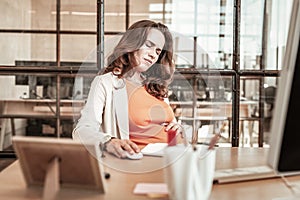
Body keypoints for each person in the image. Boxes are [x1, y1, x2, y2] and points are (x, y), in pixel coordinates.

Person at [72, 19, 182, 159]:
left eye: (158, 51)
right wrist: (108, 142)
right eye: (149, 45)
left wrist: (176, 128)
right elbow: (82, 130)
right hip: (140, 161)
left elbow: (168, 123)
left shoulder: (157, 87)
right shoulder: (106, 83)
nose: (153, 54)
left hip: (173, 156)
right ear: (132, 43)